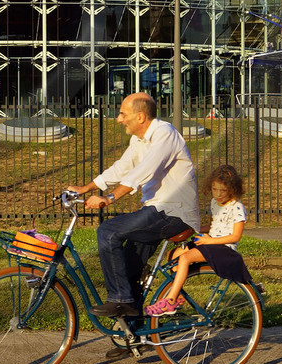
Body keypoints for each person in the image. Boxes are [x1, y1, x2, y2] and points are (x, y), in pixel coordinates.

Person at [68, 92, 200, 318]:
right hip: (156, 210)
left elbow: (144, 170)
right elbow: (122, 168)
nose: (118, 119)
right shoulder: (138, 140)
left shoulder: (164, 134)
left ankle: (120, 300)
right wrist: (85, 188)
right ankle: (135, 336)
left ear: (140, 117)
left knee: (108, 231)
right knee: (128, 272)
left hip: (173, 212)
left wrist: (110, 198)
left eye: (122, 114)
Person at [144, 164, 250, 316]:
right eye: (215, 189)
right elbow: (214, 225)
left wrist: (209, 241)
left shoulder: (237, 207)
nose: (218, 194)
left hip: (224, 248)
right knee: (173, 255)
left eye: (223, 190)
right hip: (210, 242)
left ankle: (171, 300)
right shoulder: (215, 203)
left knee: (185, 258)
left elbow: (235, 236)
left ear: (233, 189)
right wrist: (196, 228)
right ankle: (179, 297)